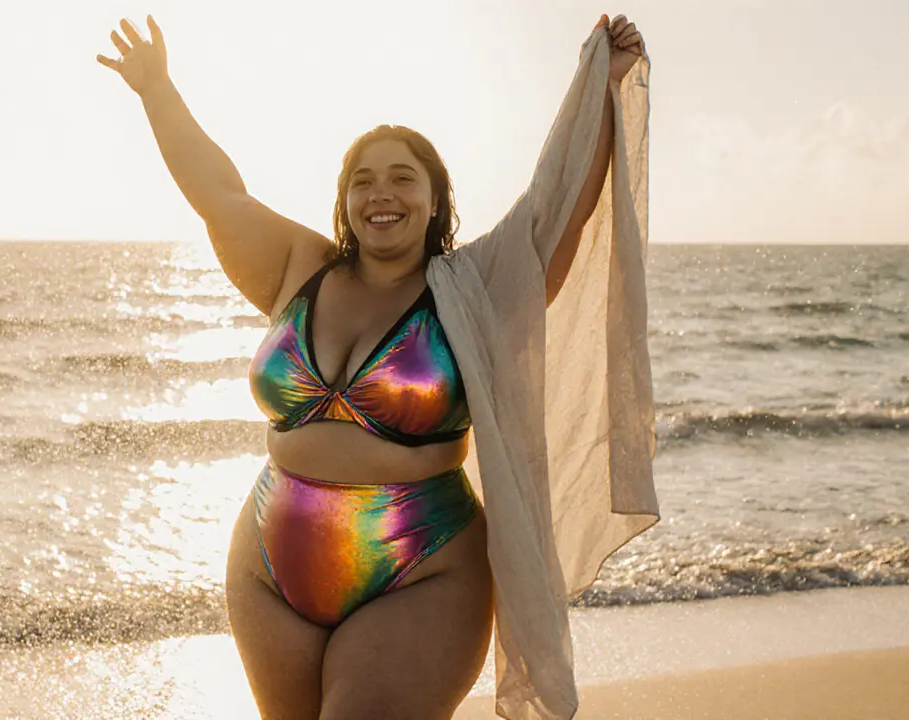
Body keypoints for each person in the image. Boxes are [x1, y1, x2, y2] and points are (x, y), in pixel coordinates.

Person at [98, 12, 658, 720]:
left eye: (402, 178)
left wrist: (601, 89)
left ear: (434, 199)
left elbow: (556, 212)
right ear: (344, 202)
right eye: (362, 181)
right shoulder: (297, 268)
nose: (380, 194)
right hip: (269, 565)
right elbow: (219, 193)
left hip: (422, 567)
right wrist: (157, 91)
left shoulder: (474, 287)